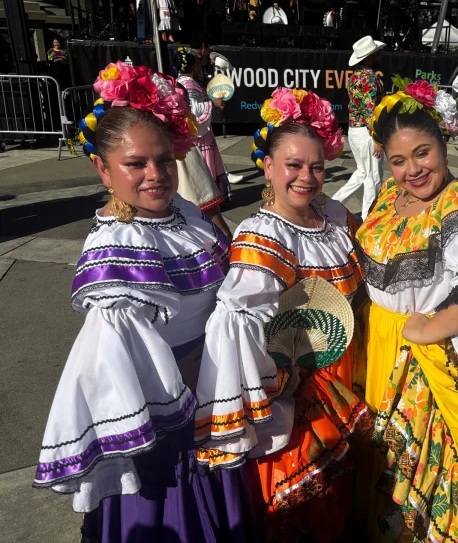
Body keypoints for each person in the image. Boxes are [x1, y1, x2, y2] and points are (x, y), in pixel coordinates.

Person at [35, 61, 252, 542]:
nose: (155, 174)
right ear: (103, 169)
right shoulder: (118, 245)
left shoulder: (186, 214)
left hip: (214, 398)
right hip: (167, 419)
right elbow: (118, 363)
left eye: (164, 160)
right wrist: (200, 370)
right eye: (136, 164)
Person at [193, 88, 368, 542]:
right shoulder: (262, 234)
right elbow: (239, 324)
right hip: (302, 391)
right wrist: (281, 386)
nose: (306, 177)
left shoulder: (333, 214)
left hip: (352, 372)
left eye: (316, 166)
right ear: (267, 167)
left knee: (346, 495)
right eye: (293, 165)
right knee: (309, 505)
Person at [355, 80, 458, 541]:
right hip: (380, 347)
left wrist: (427, 333)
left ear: (444, 142)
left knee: (431, 470)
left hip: (426, 359)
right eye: (398, 160)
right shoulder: (389, 198)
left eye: (423, 153)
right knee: (386, 464)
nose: (412, 169)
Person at [332, 35, 385, 219]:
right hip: (367, 133)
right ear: (368, 57)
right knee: (373, 178)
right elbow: (370, 112)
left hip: (355, 131)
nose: (380, 55)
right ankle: (368, 219)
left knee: (362, 173)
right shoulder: (369, 80)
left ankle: (334, 203)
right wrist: (377, 138)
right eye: (376, 53)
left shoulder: (355, 77)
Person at [174, 47, 232, 201]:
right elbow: (193, 109)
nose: (199, 68)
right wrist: (212, 103)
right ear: (193, 66)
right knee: (203, 163)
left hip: (194, 132)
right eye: (197, 65)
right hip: (199, 134)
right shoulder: (188, 83)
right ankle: (207, 197)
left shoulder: (180, 82)